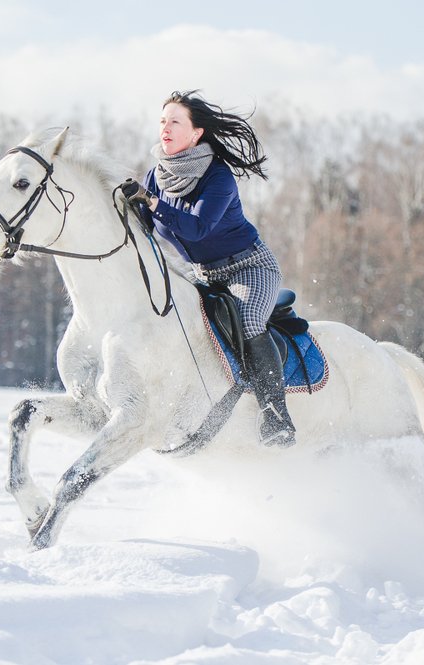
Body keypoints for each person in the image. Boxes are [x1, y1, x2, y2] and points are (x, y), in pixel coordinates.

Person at [120, 90, 295, 447]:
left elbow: (197, 228)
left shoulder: (218, 177)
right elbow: (146, 233)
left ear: (196, 133)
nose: (165, 128)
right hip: (203, 274)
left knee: (248, 322)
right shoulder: (156, 176)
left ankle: (277, 418)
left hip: (249, 268)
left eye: (175, 122)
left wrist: (151, 201)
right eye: (162, 121)